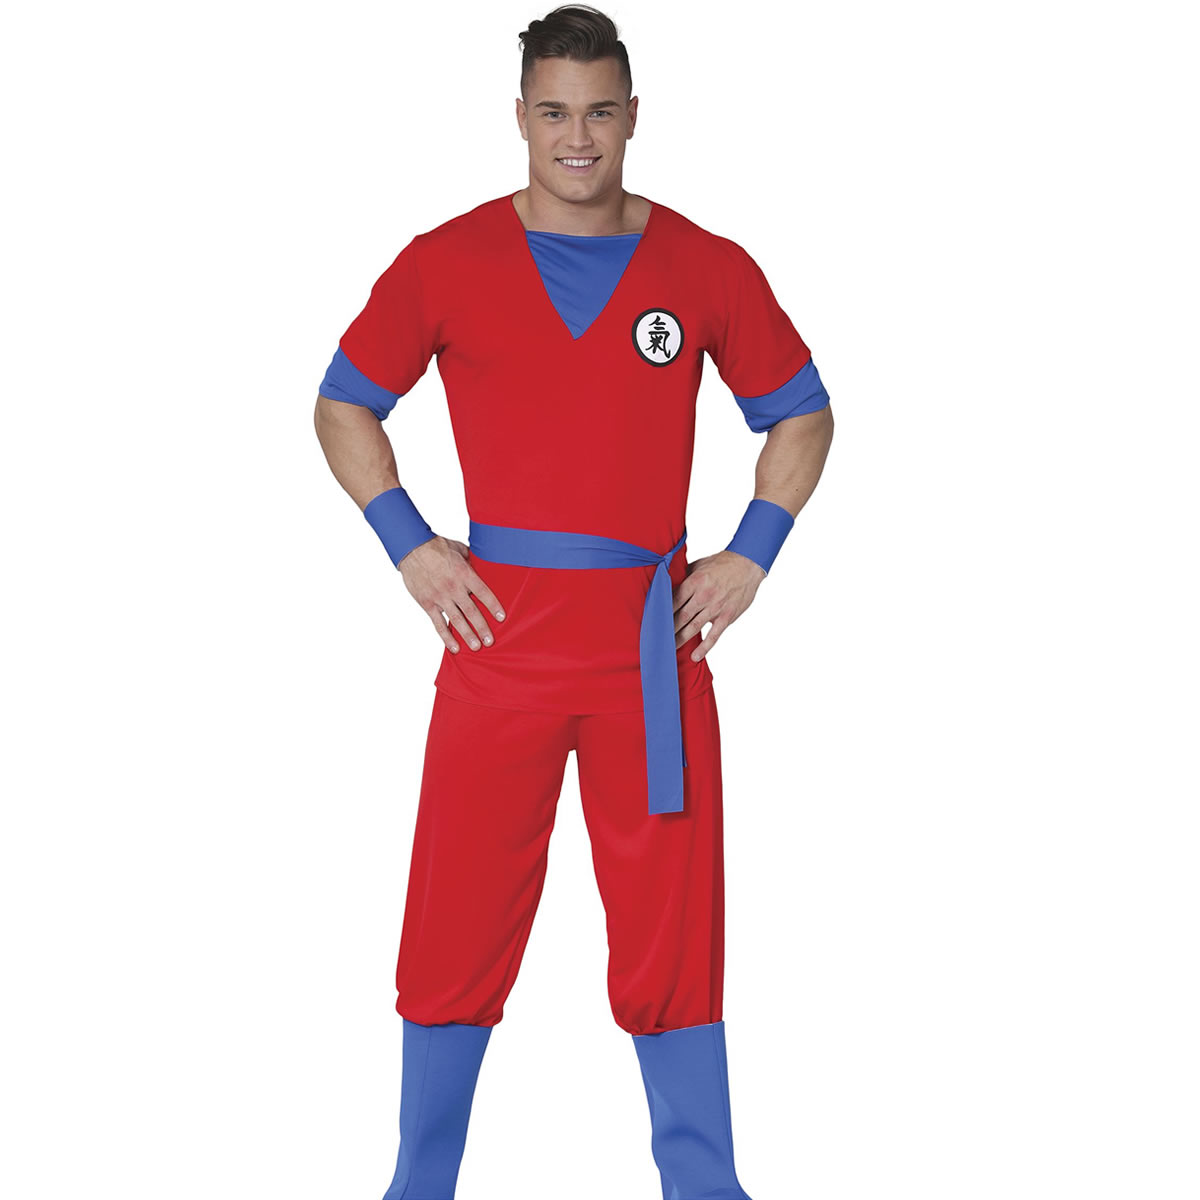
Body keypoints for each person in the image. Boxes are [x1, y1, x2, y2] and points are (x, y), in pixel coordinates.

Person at [313, 6, 834, 1197]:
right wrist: (410, 546)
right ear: (520, 118)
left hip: (650, 659)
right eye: (554, 112)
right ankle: (417, 1185)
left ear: (634, 116)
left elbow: (802, 413)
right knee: (454, 922)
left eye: (600, 112)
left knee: (673, 932)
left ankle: (707, 1188)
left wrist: (751, 553)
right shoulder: (445, 260)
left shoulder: (707, 265)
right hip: (496, 651)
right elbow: (343, 401)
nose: (578, 137)